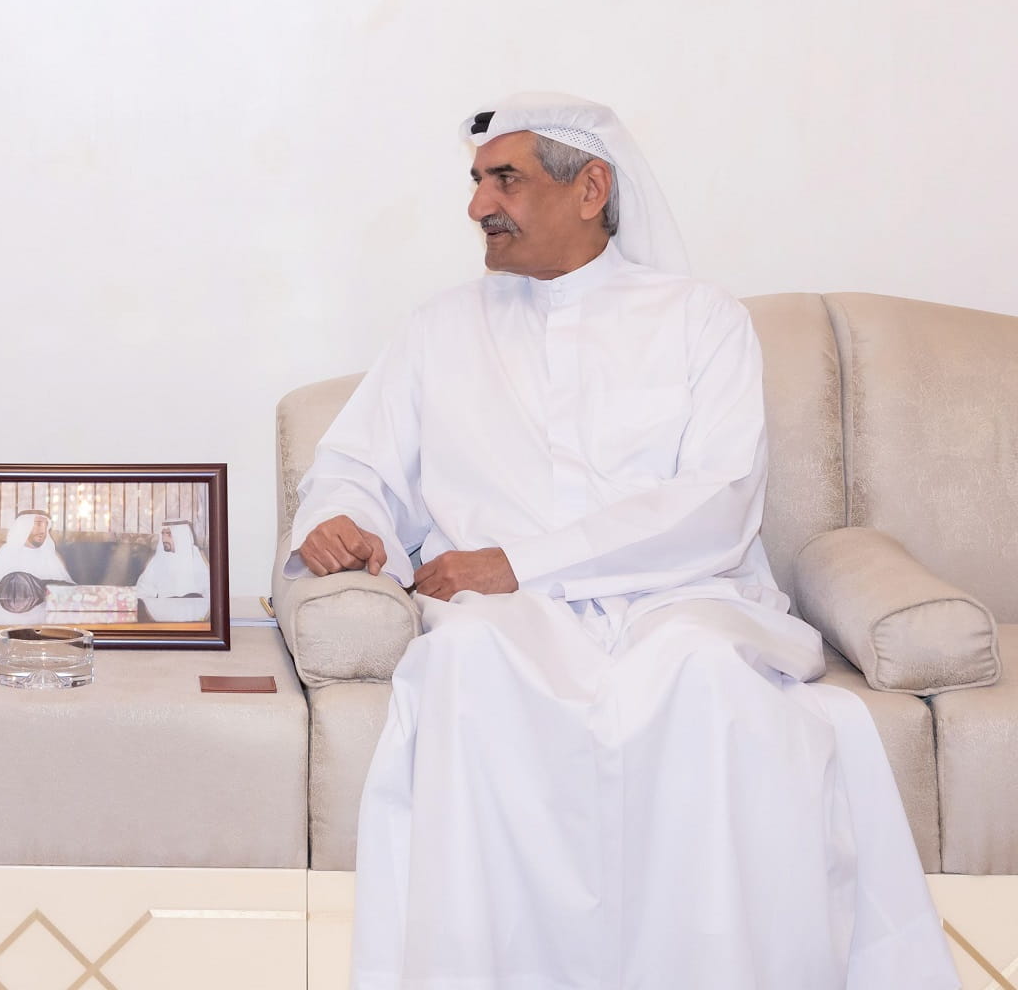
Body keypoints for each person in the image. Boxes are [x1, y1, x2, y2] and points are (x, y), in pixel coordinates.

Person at [288, 92, 955, 989]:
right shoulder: (439, 329)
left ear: (591, 187)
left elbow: (719, 501)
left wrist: (521, 561)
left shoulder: (699, 319)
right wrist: (342, 518)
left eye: (505, 180)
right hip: (507, 618)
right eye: (478, 181)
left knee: (702, 670)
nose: (479, 205)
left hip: (681, 596)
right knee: (467, 659)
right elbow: (357, 464)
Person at [0, 508, 74, 592]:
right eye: (38, 524)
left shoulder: (52, 555)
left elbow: (66, 589)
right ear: (24, 526)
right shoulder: (5, 552)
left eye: (46, 525)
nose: (43, 531)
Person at [134, 519, 209, 597]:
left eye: (169, 535)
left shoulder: (195, 557)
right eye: (163, 534)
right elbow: (143, 588)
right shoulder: (159, 558)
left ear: (181, 536)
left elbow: (208, 590)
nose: (164, 539)